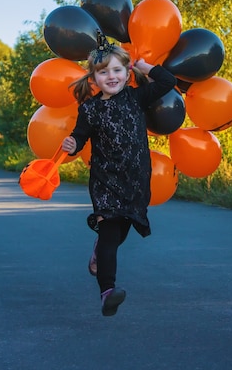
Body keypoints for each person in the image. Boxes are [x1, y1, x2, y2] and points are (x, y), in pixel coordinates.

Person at [61, 31, 177, 316]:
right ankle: (107, 293)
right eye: (103, 72)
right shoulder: (90, 109)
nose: (111, 76)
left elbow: (168, 82)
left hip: (135, 180)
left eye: (117, 70)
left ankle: (98, 251)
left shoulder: (137, 97)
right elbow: (79, 137)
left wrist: (144, 66)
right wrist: (72, 144)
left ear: (126, 73)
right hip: (105, 182)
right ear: (94, 78)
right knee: (111, 234)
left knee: (121, 230)